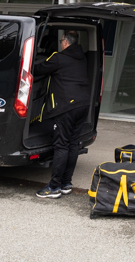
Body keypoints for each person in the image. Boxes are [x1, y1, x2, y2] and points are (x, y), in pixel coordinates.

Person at [34, 30, 89, 198]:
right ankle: (66, 183)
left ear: (65, 42)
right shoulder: (82, 58)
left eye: (61, 41)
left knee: (61, 145)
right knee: (73, 144)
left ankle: (54, 187)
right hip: (83, 105)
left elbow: (37, 69)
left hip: (66, 107)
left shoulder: (58, 58)